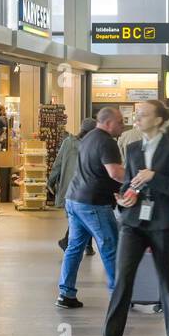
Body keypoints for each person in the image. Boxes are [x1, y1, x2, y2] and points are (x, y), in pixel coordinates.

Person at [99, 100, 169, 336]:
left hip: (162, 223)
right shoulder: (132, 147)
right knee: (123, 280)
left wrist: (154, 177)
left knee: (166, 281)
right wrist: (125, 197)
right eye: (137, 114)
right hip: (133, 223)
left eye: (144, 114)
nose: (137, 118)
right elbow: (129, 183)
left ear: (159, 120)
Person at [56, 106, 124, 309]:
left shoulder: (88, 138)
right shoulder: (107, 142)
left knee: (74, 248)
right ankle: (119, 295)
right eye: (120, 122)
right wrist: (138, 179)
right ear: (108, 123)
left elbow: (95, 170)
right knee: (110, 246)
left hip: (74, 199)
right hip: (93, 204)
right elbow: (114, 173)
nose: (123, 125)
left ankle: (65, 293)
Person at [50, 117, 96, 253]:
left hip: (69, 187)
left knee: (80, 215)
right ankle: (73, 243)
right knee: (84, 214)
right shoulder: (92, 145)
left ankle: (84, 245)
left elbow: (57, 164)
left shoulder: (68, 142)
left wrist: (51, 181)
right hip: (85, 186)